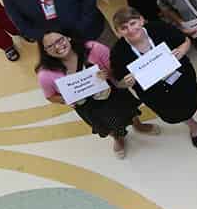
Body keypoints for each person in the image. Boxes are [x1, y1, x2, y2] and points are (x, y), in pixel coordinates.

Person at [109, 8, 197, 150]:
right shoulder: (118, 52)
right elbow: (120, 82)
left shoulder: (159, 28)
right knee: (175, 109)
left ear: (141, 20)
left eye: (133, 23)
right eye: (124, 28)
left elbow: (185, 41)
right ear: (118, 32)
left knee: (194, 96)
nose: (130, 29)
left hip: (180, 76)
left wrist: (181, 51)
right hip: (154, 91)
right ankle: (193, 126)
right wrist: (127, 82)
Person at [37, 30, 153, 159]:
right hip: (87, 106)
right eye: (50, 46)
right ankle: (118, 138)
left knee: (129, 110)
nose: (58, 46)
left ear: (68, 37)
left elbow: (115, 68)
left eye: (59, 40)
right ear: (45, 51)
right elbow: (50, 96)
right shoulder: (45, 74)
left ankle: (138, 125)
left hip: (112, 92)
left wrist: (107, 75)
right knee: (106, 125)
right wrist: (66, 98)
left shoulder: (93, 48)